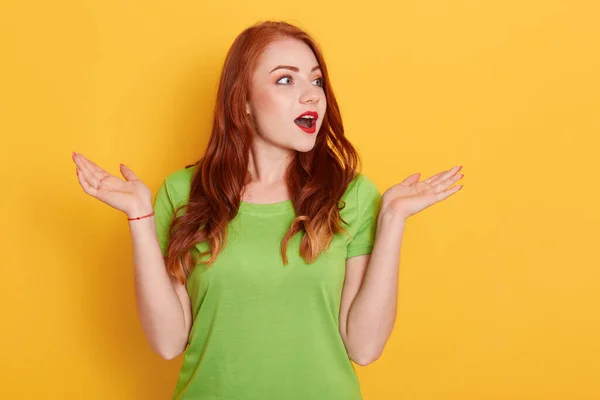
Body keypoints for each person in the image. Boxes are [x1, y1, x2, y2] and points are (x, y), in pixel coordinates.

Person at [72, 20, 463, 400]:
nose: (311, 95)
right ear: (241, 102)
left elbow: (364, 348)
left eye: (316, 80)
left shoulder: (353, 195)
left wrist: (393, 219)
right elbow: (168, 342)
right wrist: (140, 218)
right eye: (286, 79)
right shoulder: (182, 193)